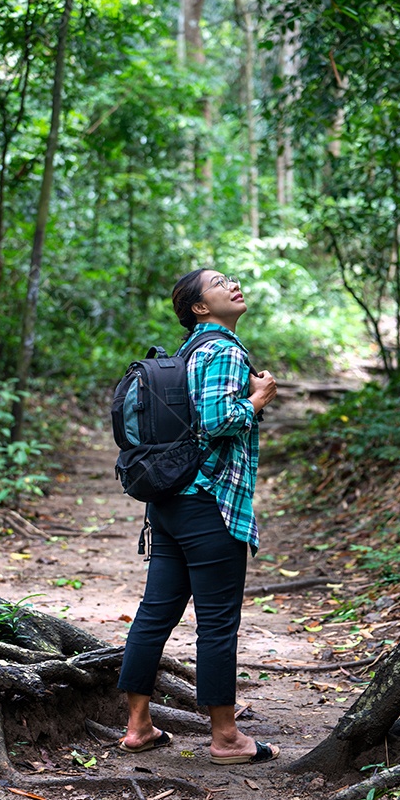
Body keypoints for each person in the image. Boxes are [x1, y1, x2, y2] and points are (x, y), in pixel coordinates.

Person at [117, 268, 280, 764]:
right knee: (216, 622)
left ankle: (138, 726)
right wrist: (258, 399)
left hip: (167, 502)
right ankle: (227, 738)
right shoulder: (224, 350)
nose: (233, 284)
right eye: (219, 282)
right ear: (200, 308)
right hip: (209, 504)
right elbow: (217, 421)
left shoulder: (185, 355)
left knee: (154, 614)